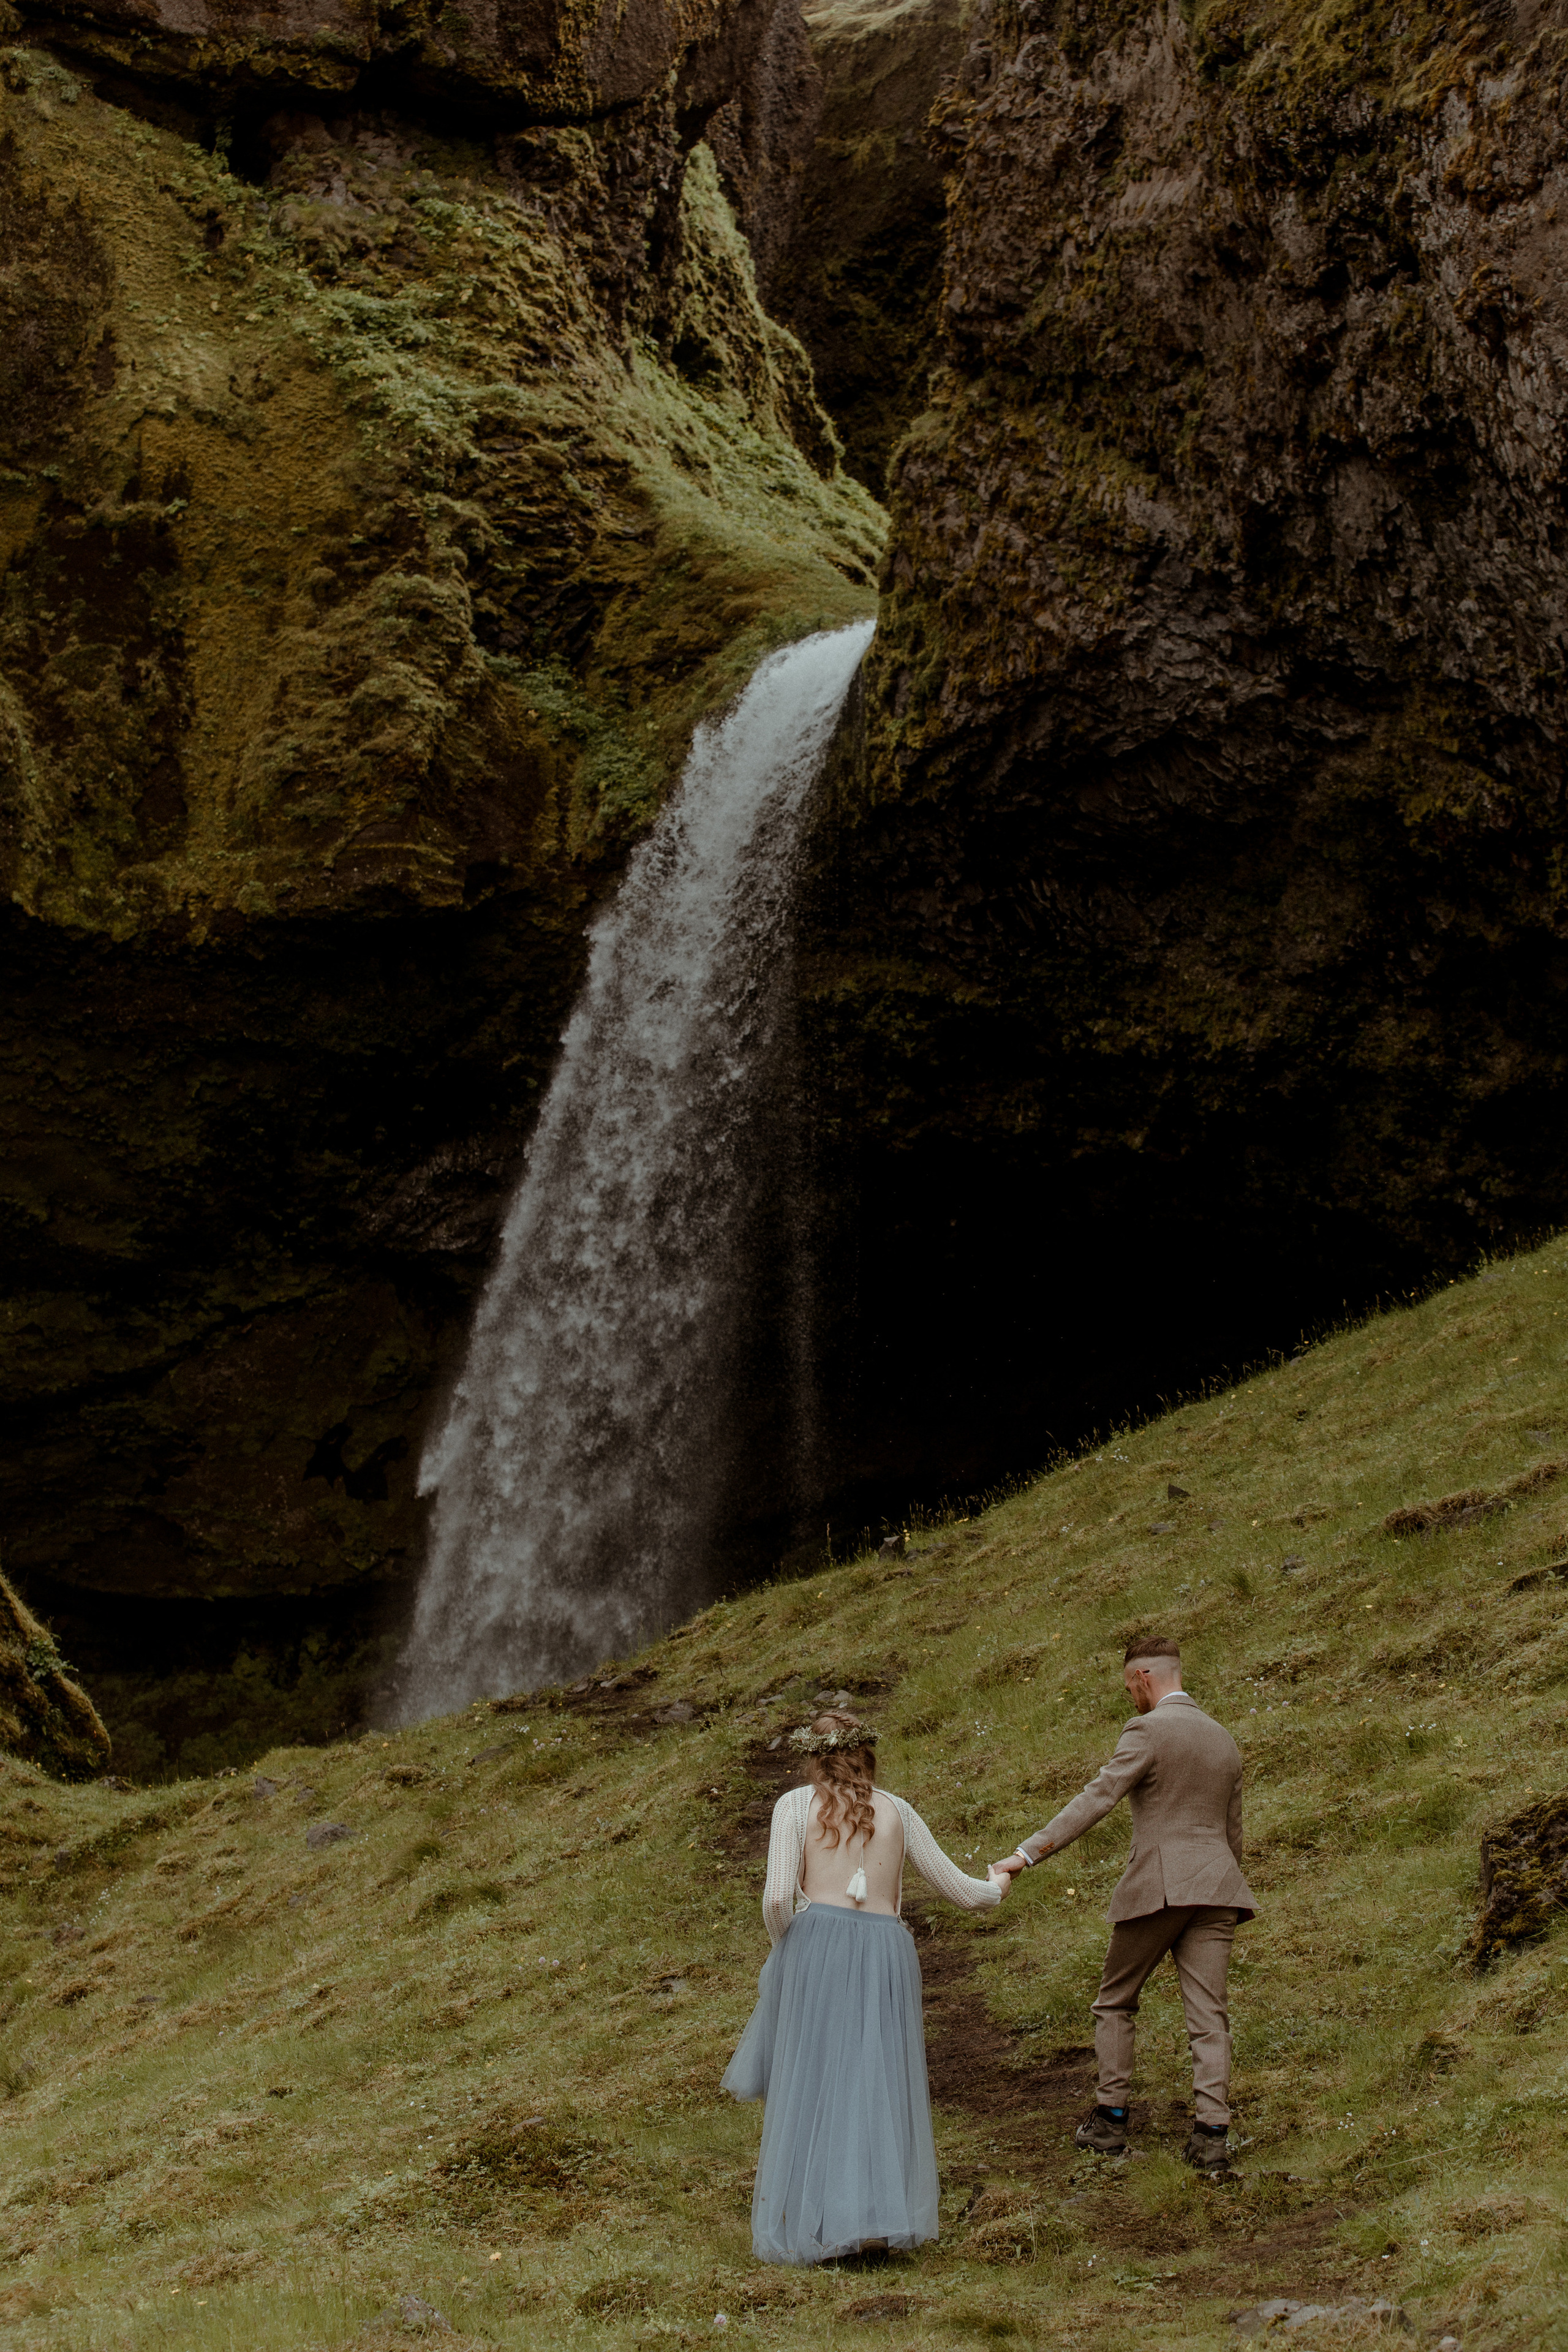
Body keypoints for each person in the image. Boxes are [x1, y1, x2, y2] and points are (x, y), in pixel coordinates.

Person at [723, 1709, 1009, 2264]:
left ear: (815, 1755)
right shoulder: (899, 1811)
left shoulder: (793, 1807)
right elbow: (964, 1892)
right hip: (886, 1951)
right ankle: (874, 2216)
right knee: (874, 2077)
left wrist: (789, 1948)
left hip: (817, 1945)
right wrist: (998, 1883)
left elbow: (778, 1899)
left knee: (814, 2078)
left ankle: (819, 2223)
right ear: (866, 1753)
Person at [990, 1637, 1254, 2171]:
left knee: (1115, 2000)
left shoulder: (1148, 1729)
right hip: (1219, 1887)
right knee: (1210, 2016)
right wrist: (1222, 1884)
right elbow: (1234, 1833)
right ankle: (1212, 2135)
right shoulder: (1224, 1739)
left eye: (1129, 1687)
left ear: (1143, 1678)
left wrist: (1027, 1854)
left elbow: (1099, 1797)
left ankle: (1110, 2121)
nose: (1130, 1698)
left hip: (1160, 1886)